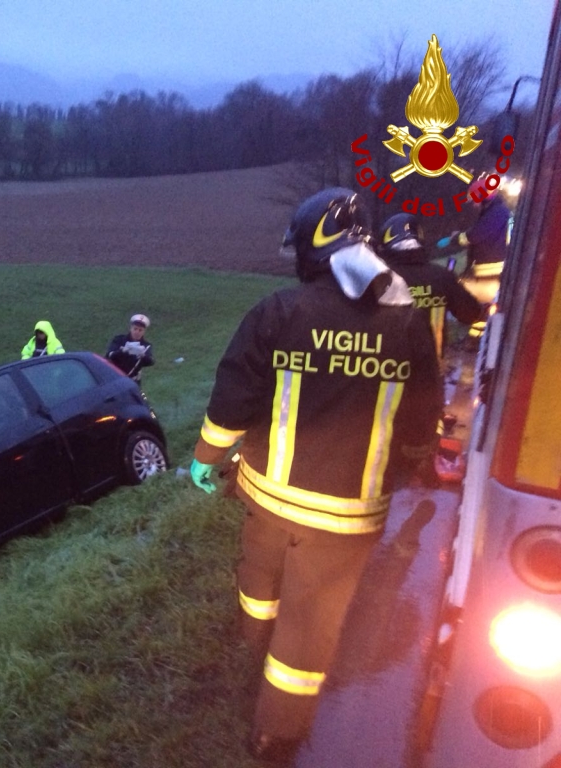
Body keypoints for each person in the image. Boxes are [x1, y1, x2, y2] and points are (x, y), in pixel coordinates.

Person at [188, 188, 442, 762]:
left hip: (267, 497)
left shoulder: (280, 310)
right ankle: (276, 731)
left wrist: (206, 461)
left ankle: (251, 645)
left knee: (260, 576)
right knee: (310, 624)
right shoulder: (407, 324)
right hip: (346, 520)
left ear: (313, 246)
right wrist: (417, 458)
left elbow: (233, 398)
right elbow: (423, 412)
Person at [377, 213, 484, 358]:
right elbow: (471, 313)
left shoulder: (379, 279)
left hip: (386, 370)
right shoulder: (441, 277)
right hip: (431, 373)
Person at [437, 174, 514, 338]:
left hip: (491, 267)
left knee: (484, 303)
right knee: (482, 302)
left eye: (474, 199)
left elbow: (475, 236)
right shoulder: (495, 211)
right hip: (489, 266)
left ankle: (476, 340)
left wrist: (454, 238)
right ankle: (475, 339)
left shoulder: (497, 213)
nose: (473, 204)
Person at [105, 313, 155, 381]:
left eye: (140, 330)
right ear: (131, 328)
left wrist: (143, 356)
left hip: (133, 381)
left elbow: (151, 362)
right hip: (115, 378)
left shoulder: (146, 345)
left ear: (144, 332)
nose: (137, 332)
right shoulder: (119, 340)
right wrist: (122, 351)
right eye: (135, 329)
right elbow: (109, 355)